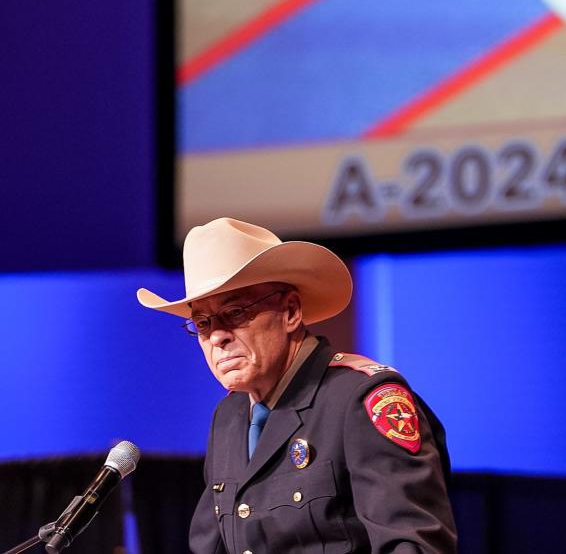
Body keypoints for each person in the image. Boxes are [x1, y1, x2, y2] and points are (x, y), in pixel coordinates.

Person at [137, 217, 457, 553]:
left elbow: (413, 546)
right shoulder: (229, 415)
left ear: (290, 312)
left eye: (234, 312)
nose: (217, 336)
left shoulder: (359, 399)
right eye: (202, 323)